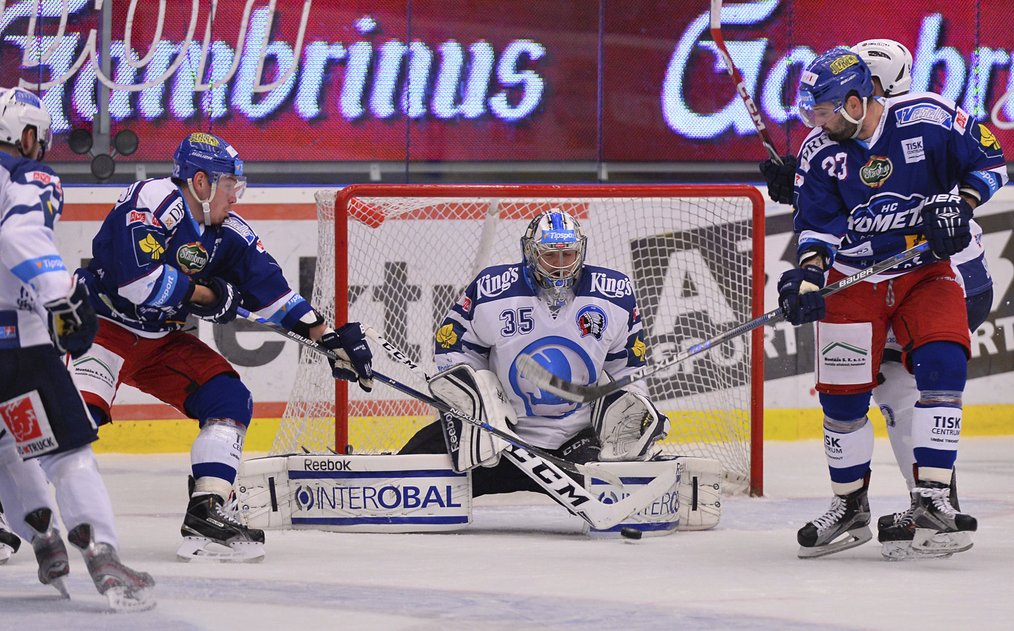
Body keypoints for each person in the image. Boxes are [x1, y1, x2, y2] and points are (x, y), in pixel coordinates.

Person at [70, 131, 375, 562]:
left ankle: (206, 513)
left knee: (228, 397)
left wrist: (324, 336)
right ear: (200, 182)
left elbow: (273, 294)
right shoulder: (152, 200)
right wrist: (212, 297)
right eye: (230, 184)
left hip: (161, 342)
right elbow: (138, 283)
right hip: (101, 328)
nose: (236, 196)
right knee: (75, 420)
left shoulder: (227, 232)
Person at [761, 39, 996, 558]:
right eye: (813, 112)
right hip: (857, 278)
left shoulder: (928, 119)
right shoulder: (821, 152)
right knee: (842, 399)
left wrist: (963, 203)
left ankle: (934, 500)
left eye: (825, 110)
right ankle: (850, 506)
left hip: (925, 271)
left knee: (939, 368)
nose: (817, 121)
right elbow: (818, 229)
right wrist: (808, 277)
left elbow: (991, 159)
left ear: (855, 99)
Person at [0, 86, 154, 610]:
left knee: (3, 446)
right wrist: (60, 299)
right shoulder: (27, 176)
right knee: (66, 453)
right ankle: (102, 554)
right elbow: (21, 238)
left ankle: (42, 537)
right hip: (15, 341)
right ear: (24, 134)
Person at [401, 209, 669, 498]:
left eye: (568, 255)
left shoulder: (613, 295)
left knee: (630, 490)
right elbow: (454, 348)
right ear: (530, 252)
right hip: (497, 438)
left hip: (574, 445)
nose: (561, 266)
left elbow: (627, 370)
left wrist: (633, 412)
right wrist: (476, 408)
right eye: (550, 255)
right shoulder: (493, 290)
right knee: (403, 473)